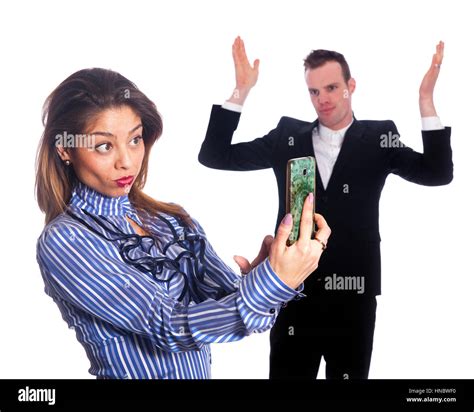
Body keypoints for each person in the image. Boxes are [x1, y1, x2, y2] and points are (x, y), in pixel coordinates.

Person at [35, 68, 331, 379]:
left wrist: (270, 273)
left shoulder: (171, 220)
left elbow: (243, 314)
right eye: (104, 146)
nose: (127, 160)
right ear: (65, 149)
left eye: (135, 139)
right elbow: (167, 325)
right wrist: (273, 281)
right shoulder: (66, 241)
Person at [198, 37, 453, 379]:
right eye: (314, 91)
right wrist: (240, 91)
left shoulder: (379, 137)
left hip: (354, 296)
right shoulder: (287, 135)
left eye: (332, 87)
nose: (323, 99)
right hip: (291, 291)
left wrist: (425, 100)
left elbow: (437, 173)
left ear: (351, 86)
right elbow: (215, 156)